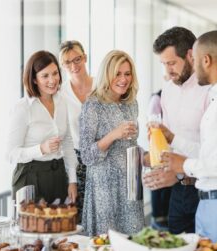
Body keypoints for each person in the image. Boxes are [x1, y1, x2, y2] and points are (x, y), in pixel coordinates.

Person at [161, 30, 217, 251]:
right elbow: (212, 152)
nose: (192, 67)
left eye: (194, 60)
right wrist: (174, 139)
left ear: (206, 60)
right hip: (213, 206)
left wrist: (186, 165)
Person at [143, 27, 209, 234]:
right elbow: (170, 141)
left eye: (172, 63)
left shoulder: (211, 90)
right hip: (178, 192)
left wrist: (181, 173)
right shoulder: (168, 91)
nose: (167, 72)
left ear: (191, 55)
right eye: (163, 64)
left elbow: (214, 152)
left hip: (207, 191)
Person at [80, 50, 144, 236]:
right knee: (106, 242)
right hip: (104, 190)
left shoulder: (132, 103)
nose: (123, 79)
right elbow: (86, 156)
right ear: (107, 75)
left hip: (131, 186)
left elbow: (131, 146)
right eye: (117, 73)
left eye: (127, 73)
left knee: (133, 242)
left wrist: (146, 157)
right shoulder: (93, 105)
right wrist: (112, 135)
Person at [6, 50, 78, 204]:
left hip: (58, 175)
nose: (52, 80)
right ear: (34, 79)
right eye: (45, 76)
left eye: (55, 73)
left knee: (59, 226)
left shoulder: (62, 101)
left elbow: (67, 142)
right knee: (32, 227)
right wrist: (41, 149)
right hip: (29, 178)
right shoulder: (23, 108)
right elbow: (11, 154)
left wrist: (72, 180)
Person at [59, 40, 94, 222]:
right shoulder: (60, 94)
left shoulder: (101, 87)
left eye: (77, 59)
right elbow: (64, 137)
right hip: (76, 160)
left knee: (102, 214)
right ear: (62, 65)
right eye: (67, 62)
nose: (74, 65)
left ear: (85, 58)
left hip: (101, 156)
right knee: (78, 216)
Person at [147, 89, 171, 230]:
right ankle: (158, 220)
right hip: (159, 149)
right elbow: (152, 123)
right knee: (159, 185)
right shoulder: (157, 99)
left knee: (167, 187)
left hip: (169, 149)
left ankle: (163, 219)